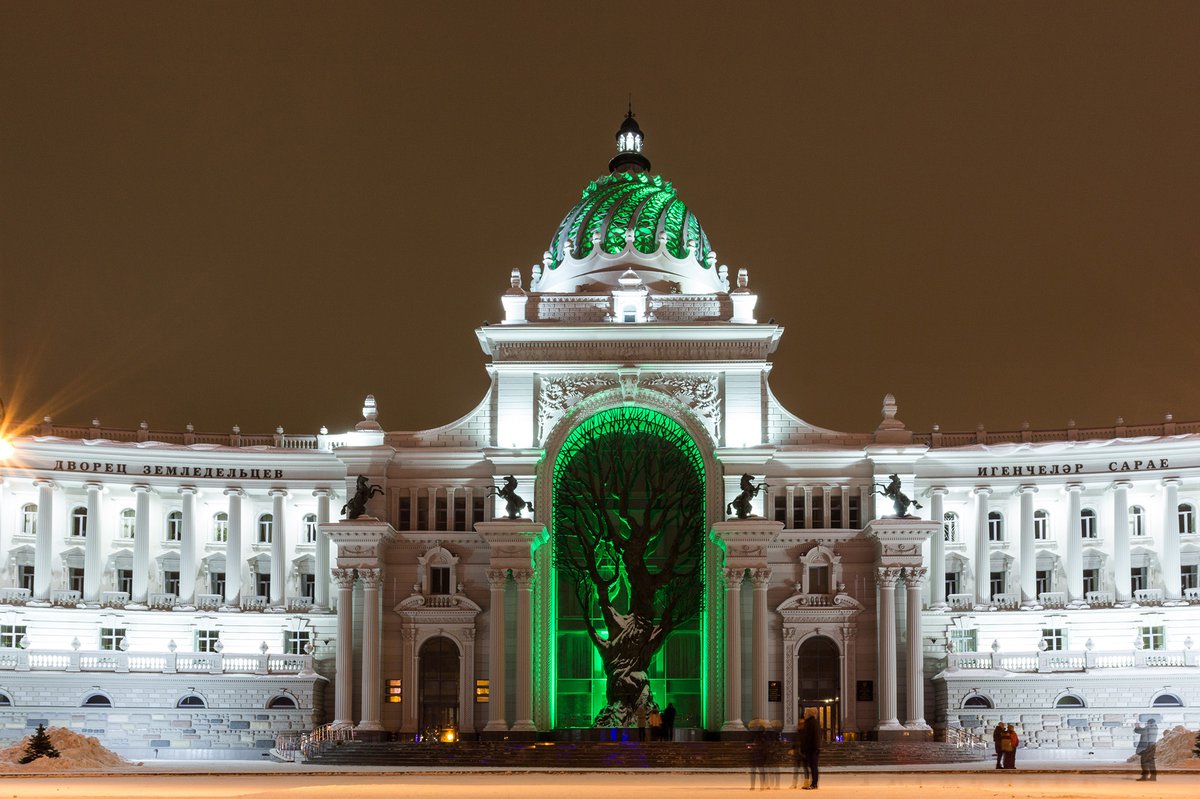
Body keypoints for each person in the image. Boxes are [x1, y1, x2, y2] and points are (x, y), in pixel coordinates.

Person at [799, 714, 820, 789]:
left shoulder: (812, 723)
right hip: (810, 749)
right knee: (811, 767)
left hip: (811, 749)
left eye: (806, 714)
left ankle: (814, 784)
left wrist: (814, 748)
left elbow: (810, 737)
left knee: (813, 767)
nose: (804, 715)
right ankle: (811, 783)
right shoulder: (810, 723)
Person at [791, 719, 810, 788]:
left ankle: (806, 783)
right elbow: (795, 742)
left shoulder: (806, 733)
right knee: (796, 769)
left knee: (805, 768)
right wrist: (793, 748)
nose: (800, 725)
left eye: (802, 724)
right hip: (797, 753)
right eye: (799, 724)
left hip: (803, 753)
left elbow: (806, 743)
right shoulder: (797, 733)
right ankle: (794, 784)